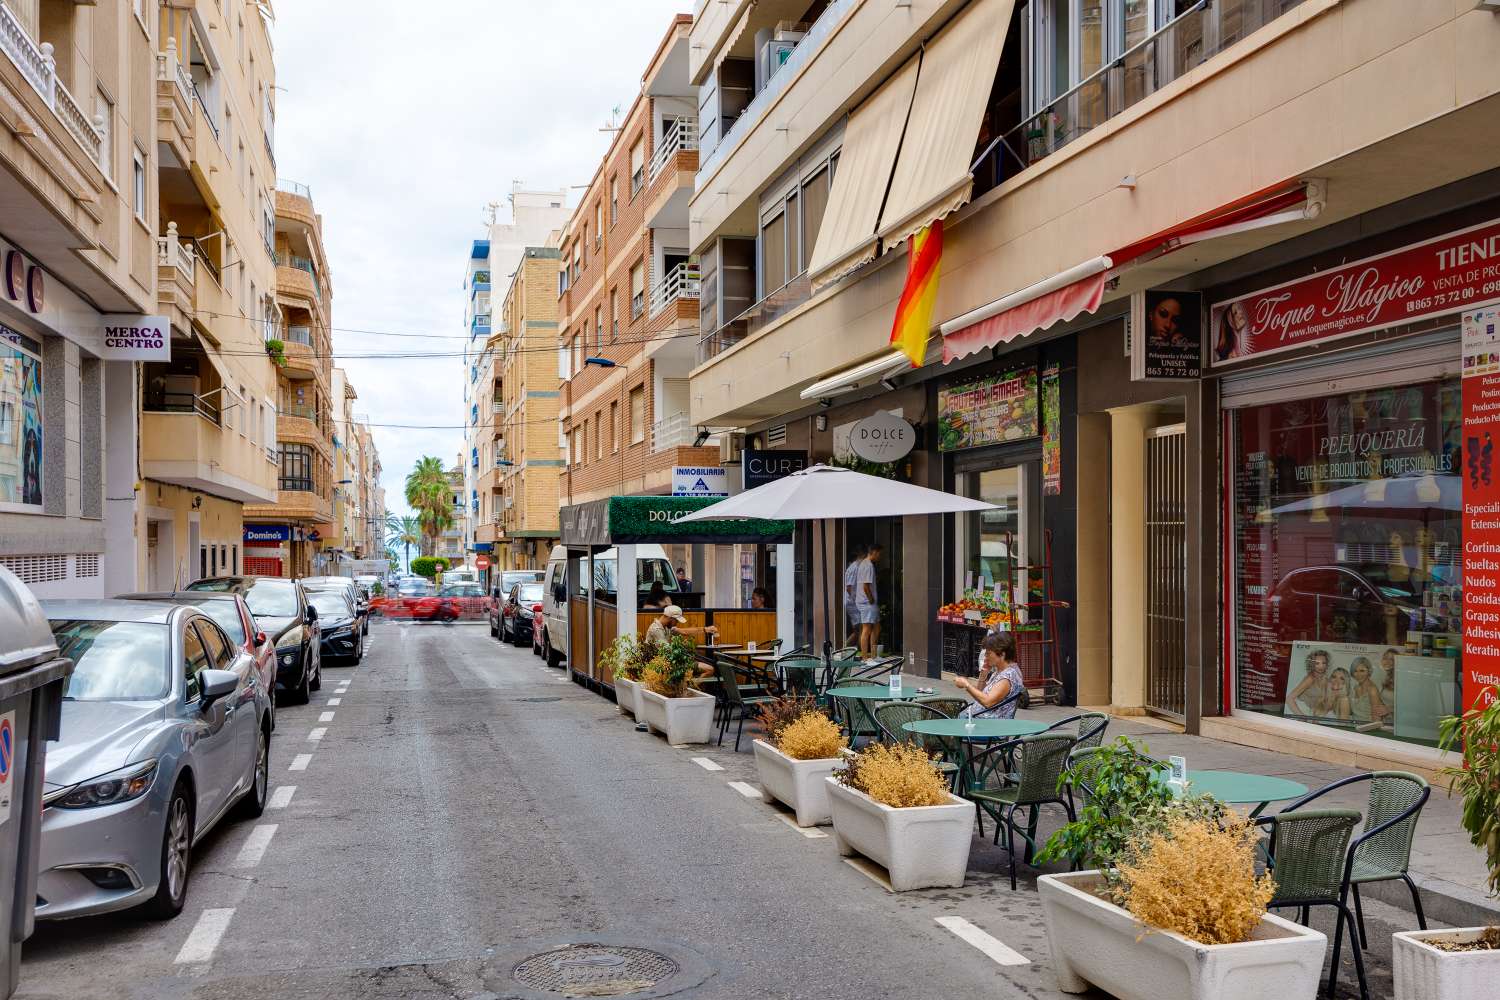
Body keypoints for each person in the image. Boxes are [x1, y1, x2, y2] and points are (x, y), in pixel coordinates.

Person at [954, 632, 1025, 720]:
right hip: (976, 718)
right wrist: (983, 674)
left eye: (988, 654)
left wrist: (967, 685)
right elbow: (981, 692)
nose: (986, 657)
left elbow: (988, 702)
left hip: (988, 725)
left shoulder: (1008, 676)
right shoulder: (1000, 671)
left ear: (1002, 655)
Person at [643, 604, 717, 649]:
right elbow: (667, 650)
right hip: (656, 666)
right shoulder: (656, 629)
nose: (677, 623)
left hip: (664, 663)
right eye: (676, 620)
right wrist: (683, 646)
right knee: (709, 669)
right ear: (670, 618)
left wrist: (705, 629)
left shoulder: (665, 627)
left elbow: (684, 632)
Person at [855, 543, 883, 657]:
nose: (880, 556)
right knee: (867, 629)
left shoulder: (864, 564)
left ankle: (873, 655)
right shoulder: (868, 565)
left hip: (866, 602)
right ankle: (866, 657)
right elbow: (865, 586)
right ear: (874, 552)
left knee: (876, 627)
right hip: (867, 602)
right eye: (880, 554)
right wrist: (871, 599)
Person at [1287, 649, 1330, 717]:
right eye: (1317, 663)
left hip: (1314, 714)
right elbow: (1289, 699)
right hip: (1302, 711)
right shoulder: (1310, 678)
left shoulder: (1326, 679)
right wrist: (1303, 718)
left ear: (1327, 664)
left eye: (1323, 663)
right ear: (1312, 665)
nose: (1321, 666)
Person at [1349, 656, 1388, 724]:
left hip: (1368, 729)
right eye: (1355, 671)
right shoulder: (1355, 687)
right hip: (1355, 726)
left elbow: (1376, 720)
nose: (1358, 675)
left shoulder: (1372, 690)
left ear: (1369, 671)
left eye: (1362, 671)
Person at [843, 545, 865, 647]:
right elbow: (849, 587)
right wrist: (855, 600)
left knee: (858, 630)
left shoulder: (856, 567)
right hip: (852, 603)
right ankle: (858, 651)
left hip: (852, 602)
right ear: (861, 555)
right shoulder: (854, 567)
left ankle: (845, 649)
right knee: (861, 628)